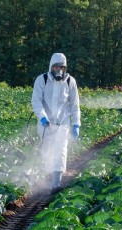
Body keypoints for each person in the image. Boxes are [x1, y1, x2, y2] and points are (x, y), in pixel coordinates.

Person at [31, 53, 81, 193]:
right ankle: (49, 175)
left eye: (61, 67)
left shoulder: (70, 82)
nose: (59, 70)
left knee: (60, 151)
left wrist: (76, 124)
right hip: (45, 124)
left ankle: (56, 183)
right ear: (51, 67)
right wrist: (42, 117)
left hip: (63, 124)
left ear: (65, 68)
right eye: (56, 67)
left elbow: (74, 104)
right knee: (47, 151)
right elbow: (36, 101)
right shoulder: (42, 80)